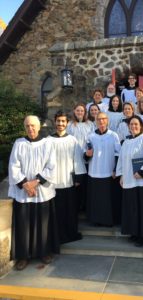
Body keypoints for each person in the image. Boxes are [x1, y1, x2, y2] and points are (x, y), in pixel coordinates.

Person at [8, 115, 59, 271]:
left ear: (38, 127)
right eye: (27, 126)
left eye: (33, 126)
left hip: (41, 191)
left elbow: (51, 166)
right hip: (24, 192)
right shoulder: (19, 144)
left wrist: (34, 182)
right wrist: (25, 185)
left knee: (43, 224)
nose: (30, 128)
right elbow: (13, 166)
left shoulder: (47, 144)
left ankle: (44, 252)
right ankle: (23, 256)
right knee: (23, 225)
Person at [116, 115, 143, 246]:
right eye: (131, 125)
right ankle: (135, 232)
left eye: (136, 124)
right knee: (133, 208)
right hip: (130, 180)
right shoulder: (126, 142)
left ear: (141, 126)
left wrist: (142, 173)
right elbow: (121, 160)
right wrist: (121, 175)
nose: (133, 126)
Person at [49, 111, 86, 243]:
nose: (60, 124)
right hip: (53, 182)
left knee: (70, 210)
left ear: (67, 123)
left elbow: (77, 160)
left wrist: (78, 178)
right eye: (58, 121)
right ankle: (57, 235)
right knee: (56, 212)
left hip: (69, 181)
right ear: (55, 122)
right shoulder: (48, 140)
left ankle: (70, 234)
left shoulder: (72, 140)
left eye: (63, 121)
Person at [85, 112, 121, 226]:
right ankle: (96, 220)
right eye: (99, 119)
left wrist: (115, 169)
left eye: (104, 119)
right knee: (96, 200)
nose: (101, 121)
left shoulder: (113, 135)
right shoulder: (90, 136)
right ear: (96, 121)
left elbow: (118, 153)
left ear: (107, 120)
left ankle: (109, 221)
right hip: (94, 172)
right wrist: (87, 154)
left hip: (109, 172)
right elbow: (85, 154)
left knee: (108, 200)